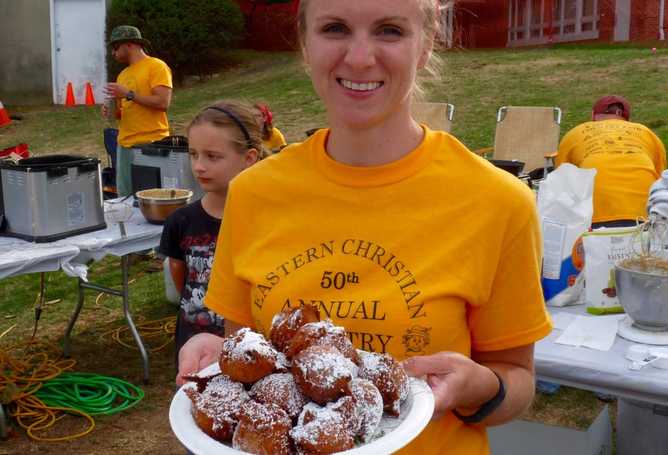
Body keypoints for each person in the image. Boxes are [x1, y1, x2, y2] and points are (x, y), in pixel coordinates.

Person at [177, 1, 552, 454]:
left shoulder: (498, 201)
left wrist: (482, 388)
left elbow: (518, 379)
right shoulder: (254, 192)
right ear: (305, 44)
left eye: (389, 31)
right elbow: (248, 350)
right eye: (334, 28)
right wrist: (212, 351)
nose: (359, 57)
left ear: (426, 43)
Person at [159, 101, 265, 367]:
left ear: (248, 158)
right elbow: (179, 274)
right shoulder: (180, 221)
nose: (199, 166)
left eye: (212, 156)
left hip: (252, 348)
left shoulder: (266, 221)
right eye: (193, 154)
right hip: (194, 348)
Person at [556, 95, 667, 228]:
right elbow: (662, 180)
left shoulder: (575, 133)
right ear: (627, 119)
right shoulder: (647, 133)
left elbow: (561, 182)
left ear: (593, 115)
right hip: (644, 215)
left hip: (592, 216)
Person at [103, 25, 173, 197]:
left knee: (153, 197)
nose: (113, 53)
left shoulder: (156, 66)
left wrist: (128, 94)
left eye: (115, 48)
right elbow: (124, 111)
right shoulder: (123, 75)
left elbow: (163, 102)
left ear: (129, 44)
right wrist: (111, 111)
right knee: (125, 198)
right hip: (124, 144)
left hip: (151, 143)